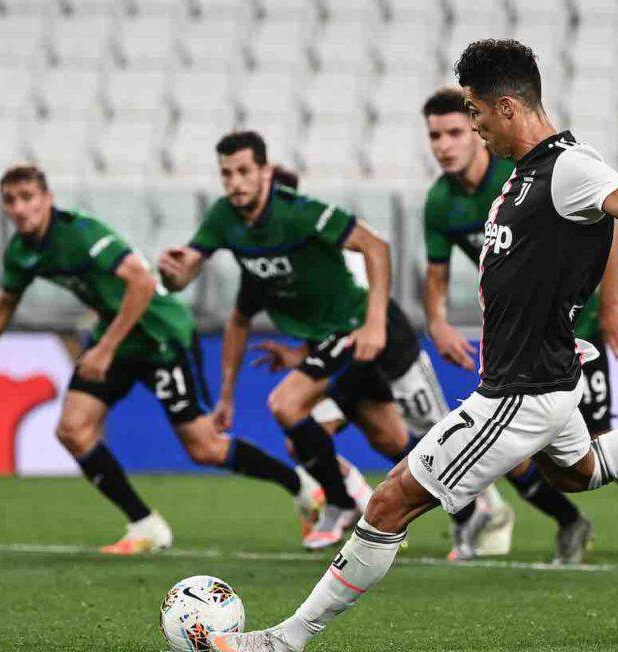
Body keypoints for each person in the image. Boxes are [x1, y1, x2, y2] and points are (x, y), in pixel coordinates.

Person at [208, 39, 618, 652]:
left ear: (504, 107)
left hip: (519, 391)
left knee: (390, 500)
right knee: (580, 472)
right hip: (549, 380)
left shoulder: (570, 168)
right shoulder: (522, 176)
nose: (472, 128)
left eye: (474, 113)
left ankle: (286, 640)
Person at [0, 164, 323, 555]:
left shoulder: (80, 234)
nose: (20, 208)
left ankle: (301, 486)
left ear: (47, 199)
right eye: (10, 200)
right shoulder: (21, 252)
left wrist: (103, 350)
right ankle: (145, 524)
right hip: (119, 337)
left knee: (204, 447)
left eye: (27, 198)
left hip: (161, 335)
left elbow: (140, 281)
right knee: (73, 429)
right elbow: (3, 307)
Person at [159, 131, 498, 553]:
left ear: (264, 172)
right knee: (389, 440)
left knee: (287, 405)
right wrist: (173, 275)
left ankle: (340, 502)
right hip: (334, 344)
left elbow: (375, 245)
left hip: (362, 328)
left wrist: (373, 323)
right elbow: (195, 279)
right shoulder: (227, 223)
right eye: (226, 174)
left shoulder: (299, 214)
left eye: (244, 171)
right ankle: (467, 508)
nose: (235, 182)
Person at [421, 86, 618, 563]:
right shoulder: (440, 204)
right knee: (513, 448)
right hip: (519, 338)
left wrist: (610, 305)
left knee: (597, 443)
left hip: (577, 329)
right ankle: (570, 521)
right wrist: (437, 321)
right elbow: (435, 276)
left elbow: (602, 216)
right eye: (435, 135)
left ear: (477, 129)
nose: (445, 144)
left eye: (456, 131)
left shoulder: (525, 169)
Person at [244, 165, 515, 560]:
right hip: (347, 361)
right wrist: (302, 356)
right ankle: (369, 502)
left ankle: (479, 509)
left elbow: (359, 311)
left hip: (391, 353)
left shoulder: (332, 247)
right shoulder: (283, 262)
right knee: (331, 437)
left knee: (431, 438)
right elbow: (329, 329)